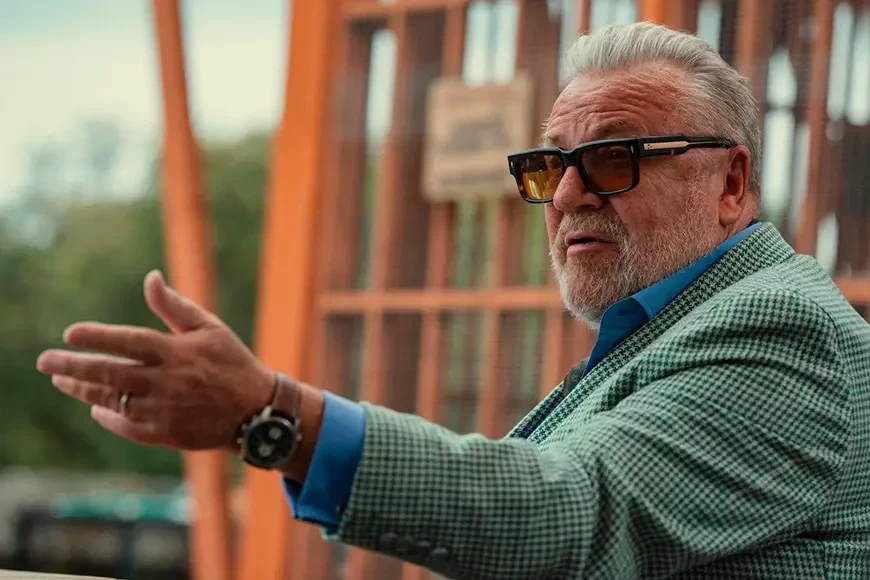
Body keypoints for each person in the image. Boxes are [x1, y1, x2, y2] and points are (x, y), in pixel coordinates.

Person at [36, 22, 870, 579]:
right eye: (550, 165)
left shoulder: (781, 328)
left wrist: (273, 414)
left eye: (615, 159)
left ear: (731, 183)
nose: (568, 195)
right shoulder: (670, 330)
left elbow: (564, 513)